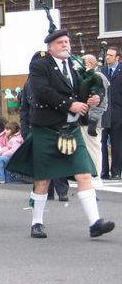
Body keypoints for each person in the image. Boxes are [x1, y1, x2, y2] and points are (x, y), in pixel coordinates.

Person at [6, 29, 114, 239]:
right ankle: (37, 222)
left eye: (67, 42)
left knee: (84, 175)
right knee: (44, 180)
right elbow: (42, 90)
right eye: (61, 43)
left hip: (72, 129)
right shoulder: (40, 65)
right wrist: (69, 105)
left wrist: (95, 97)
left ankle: (95, 223)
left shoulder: (74, 64)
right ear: (50, 47)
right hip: (47, 129)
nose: (66, 45)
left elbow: (92, 82)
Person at [79, 54, 108, 188]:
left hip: (91, 119)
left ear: (90, 64)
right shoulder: (85, 78)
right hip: (81, 118)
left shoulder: (98, 77)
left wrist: (94, 120)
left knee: (93, 148)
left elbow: (102, 101)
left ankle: (96, 176)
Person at [101, 46, 121, 180]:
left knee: (117, 143)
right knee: (101, 142)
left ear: (117, 58)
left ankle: (116, 171)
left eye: (111, 55)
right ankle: (103, 171)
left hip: (118, 113)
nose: (108, 57)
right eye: (107, 55)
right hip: (103, 113)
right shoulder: (102, 71)